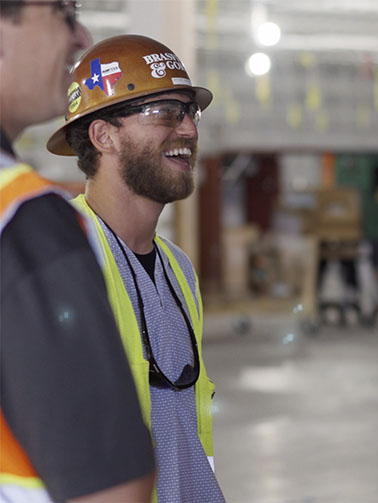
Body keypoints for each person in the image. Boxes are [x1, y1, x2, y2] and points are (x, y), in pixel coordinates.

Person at [46, 34, 225, 502]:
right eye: (166, 111)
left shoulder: (178, 270)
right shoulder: (58, 260)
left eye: (190, 112)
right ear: (102, 135)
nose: (188, 130)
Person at [0, 2, 155, 502]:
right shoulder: (21, 217)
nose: (80, 34)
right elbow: (110, 487)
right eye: (63, 13)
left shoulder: (179, 269)